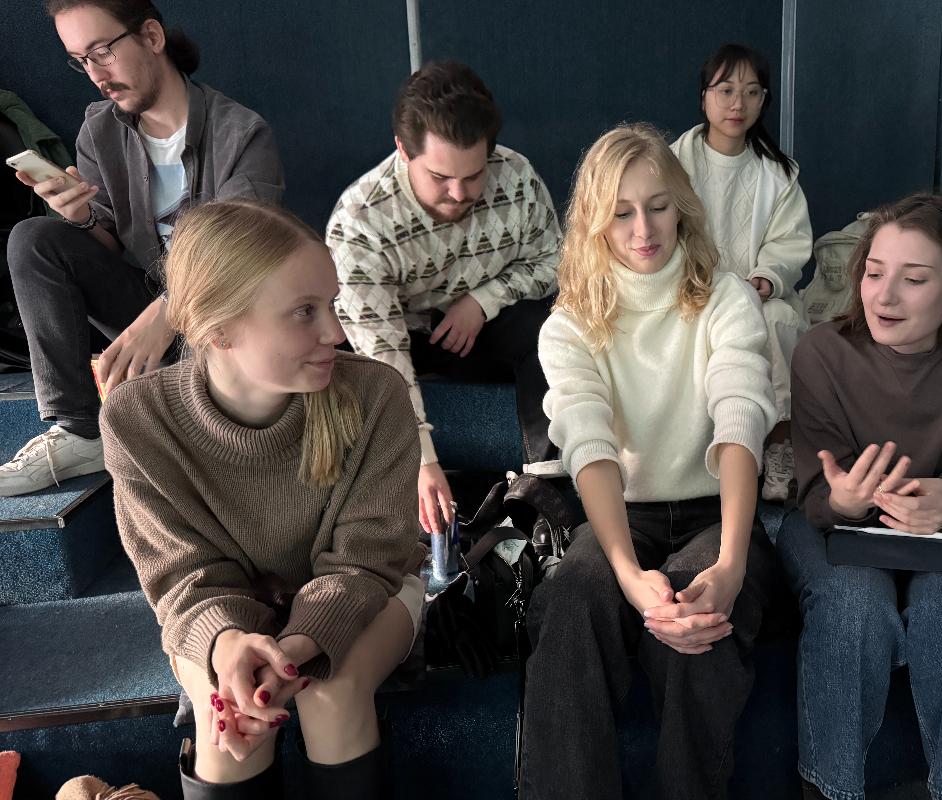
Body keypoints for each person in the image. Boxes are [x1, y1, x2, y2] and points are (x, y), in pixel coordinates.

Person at [100, 200, 423, 799]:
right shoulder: (136, 419)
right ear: (219, 329)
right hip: (217, 610)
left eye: (331, 305)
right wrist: (228, 643)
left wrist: (296, 649)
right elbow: (181, 575)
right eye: (304, 312)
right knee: (225, 716)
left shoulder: (376, 394)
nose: (335, 333)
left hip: (368, 590)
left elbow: (368, 557)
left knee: (329, 688)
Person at [521, 123, 779, 800]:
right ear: (596, 222)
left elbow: (741, 420)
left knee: (701, 618)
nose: (643, 230)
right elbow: (589, 445)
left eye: (658, 206)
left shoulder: (726, 297)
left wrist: (731, 563)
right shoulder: (570, 322)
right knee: (573, 602)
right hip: (621, 514)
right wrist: (629, 576)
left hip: (714, 513)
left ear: (682, 206)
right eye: (622, 213)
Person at [774, 192, 942, 800]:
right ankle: (830, 791)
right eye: (873, 273)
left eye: (913, 280)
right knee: (853, 603)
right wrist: (844, 501)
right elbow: (815, 497)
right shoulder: (822, 351)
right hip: (838, 528)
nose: (884, 297)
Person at [0, 0, 284, 497]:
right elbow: (108, 241)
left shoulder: (241, 135)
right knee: (35, 238)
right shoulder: (100, 130)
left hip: (225, 322)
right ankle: (78, 432)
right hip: (149, 315)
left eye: (102, 51)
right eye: (81, 60)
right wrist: (80, 217)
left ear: (152, 37)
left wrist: (170, 309)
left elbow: (240, 256)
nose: (96, 74)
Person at [326, 60, 562, 535]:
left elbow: (556, 263)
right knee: (335, 357)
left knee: (554, 324)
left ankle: (550, 489)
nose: (458, 193)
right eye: (439, 177)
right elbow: (383, 354)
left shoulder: (516, 175)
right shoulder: (359, 223)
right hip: (399, 337)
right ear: (402, 150)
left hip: (484, 328)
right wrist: (422, 460)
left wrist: (483, 300)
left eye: (473, 176)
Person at [672, 43, 813, 503]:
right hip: (691, 291)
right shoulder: (673, 164)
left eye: (752, 92)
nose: (738, 103)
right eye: (727, 90)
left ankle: (778, 448)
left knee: (778, 321)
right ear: (704, 96)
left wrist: (766, 279)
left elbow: (789, 241)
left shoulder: (778, 173)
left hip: (757, 294)